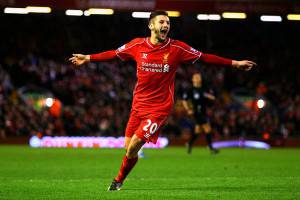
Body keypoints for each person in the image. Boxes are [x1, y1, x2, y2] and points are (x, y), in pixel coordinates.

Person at [69, 10, 256, 191]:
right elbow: (114, 54)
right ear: (151, 25)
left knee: (134, 146)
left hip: (159, 108)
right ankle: (122, 178)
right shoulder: (137, 46)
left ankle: (117, 181)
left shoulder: (177, 48)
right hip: (138, 106)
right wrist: (88, 58)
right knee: (128, 149)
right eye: (161, 22)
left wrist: (234, 63)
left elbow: (204, 57)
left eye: (168, 23)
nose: (165, 25)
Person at [182, 72, 219, 154]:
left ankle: (189, 144)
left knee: (197, 131)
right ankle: (211, 148)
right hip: (197, 112)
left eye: (198, 77)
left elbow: (211, 97)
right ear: (192, 79)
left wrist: (211, 97)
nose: (198, 78)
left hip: (203, 111)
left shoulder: (204, 89)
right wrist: (188, 109)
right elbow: (184, 100)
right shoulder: (190, 90)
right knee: (207, 128)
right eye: (195, 77)